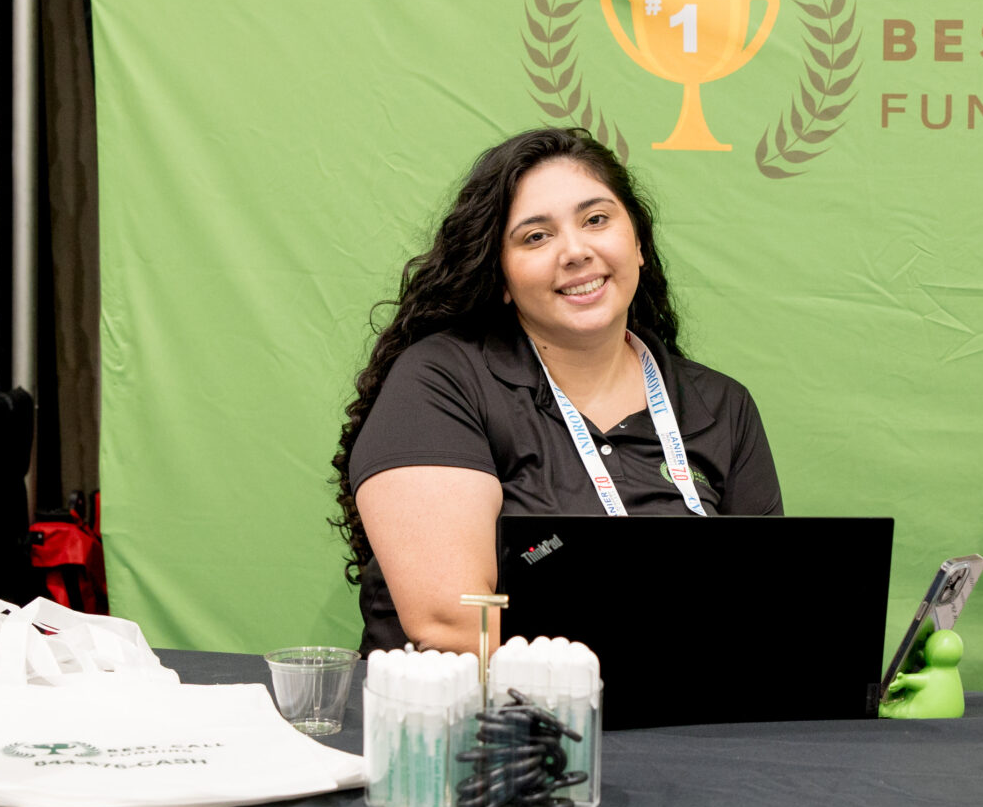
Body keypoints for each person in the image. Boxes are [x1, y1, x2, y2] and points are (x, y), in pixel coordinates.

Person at [333, 127, 783, 651]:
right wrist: (660, 651)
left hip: (687, 725)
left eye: (596, 219)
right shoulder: (441, 383)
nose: (575, 251)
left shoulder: (721, 405)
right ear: (501, 277)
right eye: (535, 236)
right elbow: (449, 620)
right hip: (490, 721)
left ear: (637, 242)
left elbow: (763, 605)